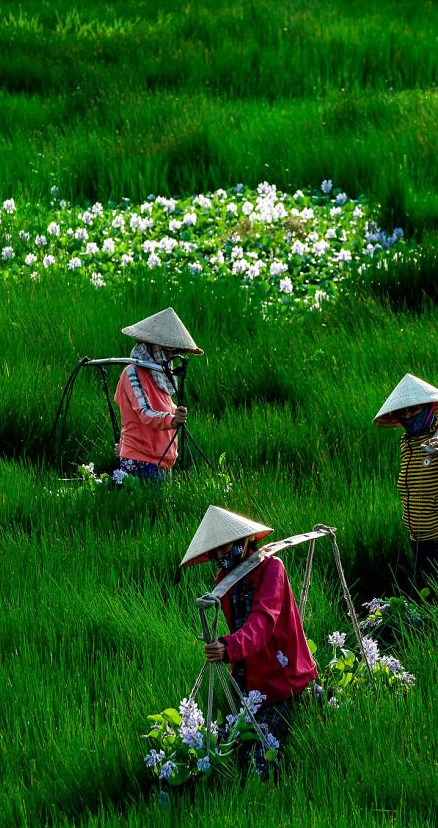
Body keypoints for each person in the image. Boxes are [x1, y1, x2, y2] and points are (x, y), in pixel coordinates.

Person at [179, 505, 318, 775]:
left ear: (245, 540)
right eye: (214, 553)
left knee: (257, 762)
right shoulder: (225, 578)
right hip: (248, 681)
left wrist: (228, 647)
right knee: (224, 746)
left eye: (224, 548)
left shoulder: (271, 569)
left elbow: (262, 623)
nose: (220, 557)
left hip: (282, 681)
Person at [373, 373, 438, 583]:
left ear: (431, 407)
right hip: (421, 539)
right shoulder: (407, 443)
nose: (408, 415)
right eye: (403, 412)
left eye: (415, 409)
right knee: (427, 596)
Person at [114, 307, 202, 482]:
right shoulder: (133, 372)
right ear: (155, 348)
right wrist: (172, 420)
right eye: (169, 352)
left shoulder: (160, 377)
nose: (171, 358)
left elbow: (164, 406)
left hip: (162, 462)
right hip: (141, 461)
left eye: (174, 353)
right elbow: (144, 412)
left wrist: (176, 413)